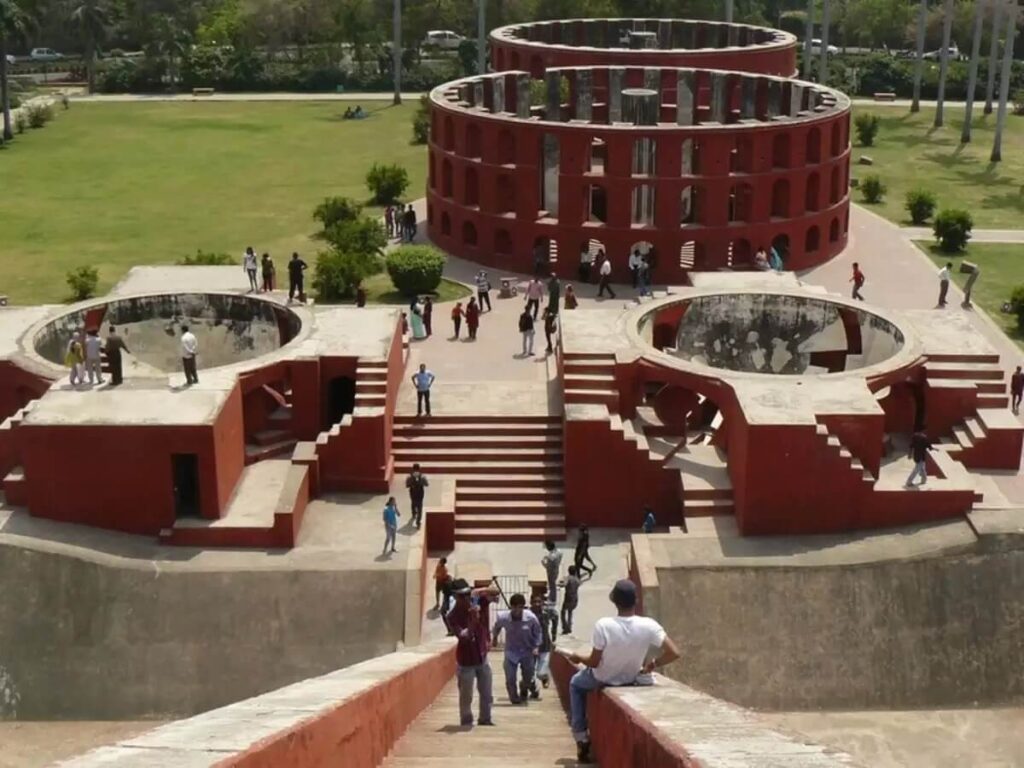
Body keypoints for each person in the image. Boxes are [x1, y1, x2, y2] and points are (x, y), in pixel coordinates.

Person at [567, 579, 681, 763]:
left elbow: (594, 663)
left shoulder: (603, 625)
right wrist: (654, 663)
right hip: (630, 677)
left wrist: (579, 657)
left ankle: (581, 736)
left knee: (575, 684)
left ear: (613, 599)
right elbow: (674, 652)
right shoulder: (649, 625)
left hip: (602, 677)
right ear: (635, 600)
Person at [447, 578, 500, 727]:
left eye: (467, 594)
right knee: (466, 696)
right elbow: (464, 637)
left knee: (487, 693)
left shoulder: (478, 601)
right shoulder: (453, 616)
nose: (466, 598)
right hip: (466, 661)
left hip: (482, 656)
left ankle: (485, 719)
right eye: (462, 596)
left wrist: (479, 591)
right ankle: (466, 721)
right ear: (456, 597)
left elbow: (496, 593)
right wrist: (473, 620)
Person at [491, 593, 542, 705]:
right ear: (511, 607)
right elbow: (497, 627)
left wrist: (536, 646)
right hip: (511, 651)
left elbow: (538, 632)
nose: (517, 610)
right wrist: (494, 638)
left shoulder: (531, 618)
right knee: (510, 677)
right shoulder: (503, 617)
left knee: (528, 676)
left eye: (520, 607)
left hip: (527, 650)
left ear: (523, 607)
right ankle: (514, 697)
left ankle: (525, 687)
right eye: (514, 607)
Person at [529, 592, 559, 695]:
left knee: (540, 673)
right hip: (531, 646)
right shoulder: (528, 614)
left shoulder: (546, 613)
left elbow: (555, 616)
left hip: (545, 645)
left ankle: (545, 677)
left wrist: (554, 633)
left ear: (542, 602)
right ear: (531, 602)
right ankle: (534, 691)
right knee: (529, 673)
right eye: (534, 602)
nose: (537, 604)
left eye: (539, 602)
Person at [406, 462, 429, 528]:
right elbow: (427, 484)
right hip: (420, 494)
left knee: (413, 503)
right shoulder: (422, 476)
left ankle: (414, 514)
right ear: (419, 469)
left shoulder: (410, 477)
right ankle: (418, 522)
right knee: (420, 507)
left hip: (412, 493)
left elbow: (407, 485)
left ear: (413, 469)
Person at [541, 540, 563, 605]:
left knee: (552, 585)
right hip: (556, 570)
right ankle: (550, 595)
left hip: (551, 572)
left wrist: (543, 563)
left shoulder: (551, 557)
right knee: (552, 585)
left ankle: (552, 599)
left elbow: (548, 566)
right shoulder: (559, 552)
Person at [561, 565, 581, 635]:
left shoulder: (568, 578)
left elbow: (564, 584)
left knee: (563, 612)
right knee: (570, 611)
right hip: (575, 598)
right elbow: (579, 584)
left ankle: (565, 627)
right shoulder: (577, 579)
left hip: (568, 597)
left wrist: (559, 584)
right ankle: (569, 626)